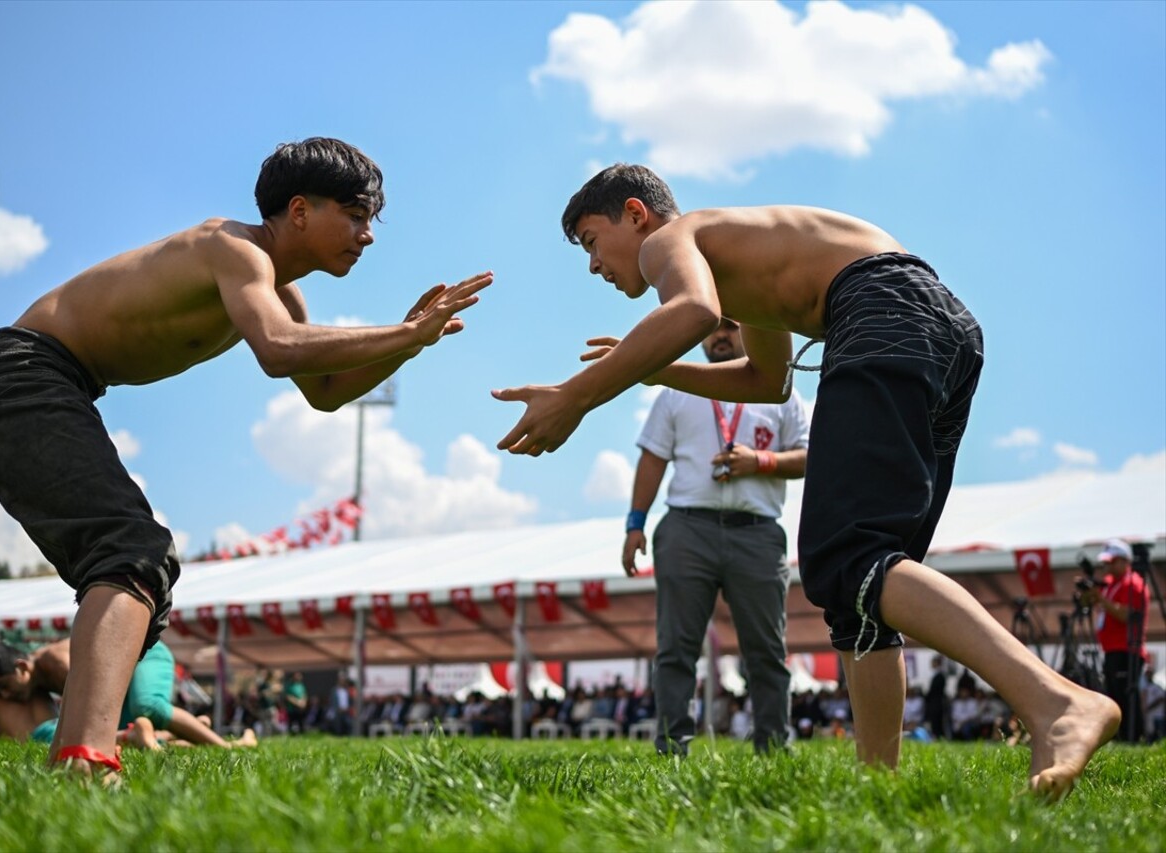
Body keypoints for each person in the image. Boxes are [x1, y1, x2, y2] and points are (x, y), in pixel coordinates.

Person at [492, 163, 1119, 798]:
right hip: (940, 324)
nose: (594, 265)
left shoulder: (670, 239)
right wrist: (659, 373)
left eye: (593, 242)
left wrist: (575, 396)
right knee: (866, 587)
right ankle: (880, 786)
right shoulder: (737, 261)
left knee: (847, 559)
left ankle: (1053, 701)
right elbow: (769, 381)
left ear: (635, 213)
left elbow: (692, 310)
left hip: (880, 311)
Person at [0, 138, 491, 776]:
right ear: (298, 210)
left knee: (141, 577)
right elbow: (278, 349)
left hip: (52, 382)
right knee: (131, 555)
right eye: (353, 214)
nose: (367, 235)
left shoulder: (278, 288)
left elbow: (322, 394)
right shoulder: (232, 248)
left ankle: (74, 759)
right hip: (22, 374)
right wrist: (403, 333)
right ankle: (86, 756)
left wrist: (408, 344)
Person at [623, 318, 808, 755]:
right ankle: (672, 748)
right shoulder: (677, 390)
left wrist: (761, 461)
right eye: (711, 328)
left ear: (749, 330)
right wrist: (635, 524)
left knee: (765, 649)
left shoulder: (781, 391)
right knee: (675, 648)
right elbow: (652, 458)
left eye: (730, 326)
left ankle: (773, 747)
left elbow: (810, 456)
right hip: (687, 527)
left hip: (757, 532)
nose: (719, 336)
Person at [0, 640, 254, 751]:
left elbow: (100, 684)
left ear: (22, 667)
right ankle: (193, 726)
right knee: (134, 728)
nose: (6, 695)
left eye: (4, 686)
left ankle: (230, 747)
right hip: (121, 674)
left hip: (145, 654)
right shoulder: (33, 679)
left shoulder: (54, 662)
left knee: (147, 708)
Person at [1077, 538, 1149, 741]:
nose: (1107, 565)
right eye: (1106, 562)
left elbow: (1126, 615)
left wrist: (1100, 599)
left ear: (1125, 561)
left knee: (1126, 697)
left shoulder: (1133, 584)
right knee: (1115, 696)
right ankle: (1122, 738)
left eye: (1112, 561)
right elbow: (1088, 602)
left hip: (1128, 650)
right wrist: (1087, 593)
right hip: (1111, 650)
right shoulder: (1109, 584)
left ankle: (1134, 738)